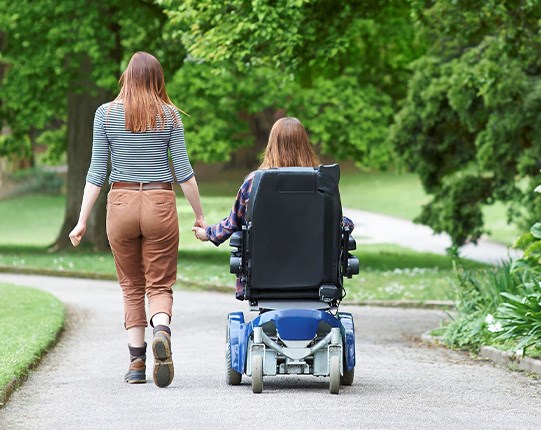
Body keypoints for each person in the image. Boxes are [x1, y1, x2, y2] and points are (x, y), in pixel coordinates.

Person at [69, 52, 205, 388]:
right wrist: (200, 216)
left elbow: (97, 172)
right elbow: (184, 173)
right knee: (159, 284)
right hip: (159, 201)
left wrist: (82, 220)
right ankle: (161, 330)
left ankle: (136, 363)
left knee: (131, 286)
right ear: (158, 79)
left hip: (121, 202)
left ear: (127, 77)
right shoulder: (170, 116)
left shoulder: (106, 114)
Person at [192, 117, 353, 300]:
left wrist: (208, 233)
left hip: (263, 280)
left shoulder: (255, 183)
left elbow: (232, 223)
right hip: (319, 282)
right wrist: (347, 223)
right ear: (305, 144)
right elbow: (338, 223)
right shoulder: (323, 182)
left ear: (272, 145)